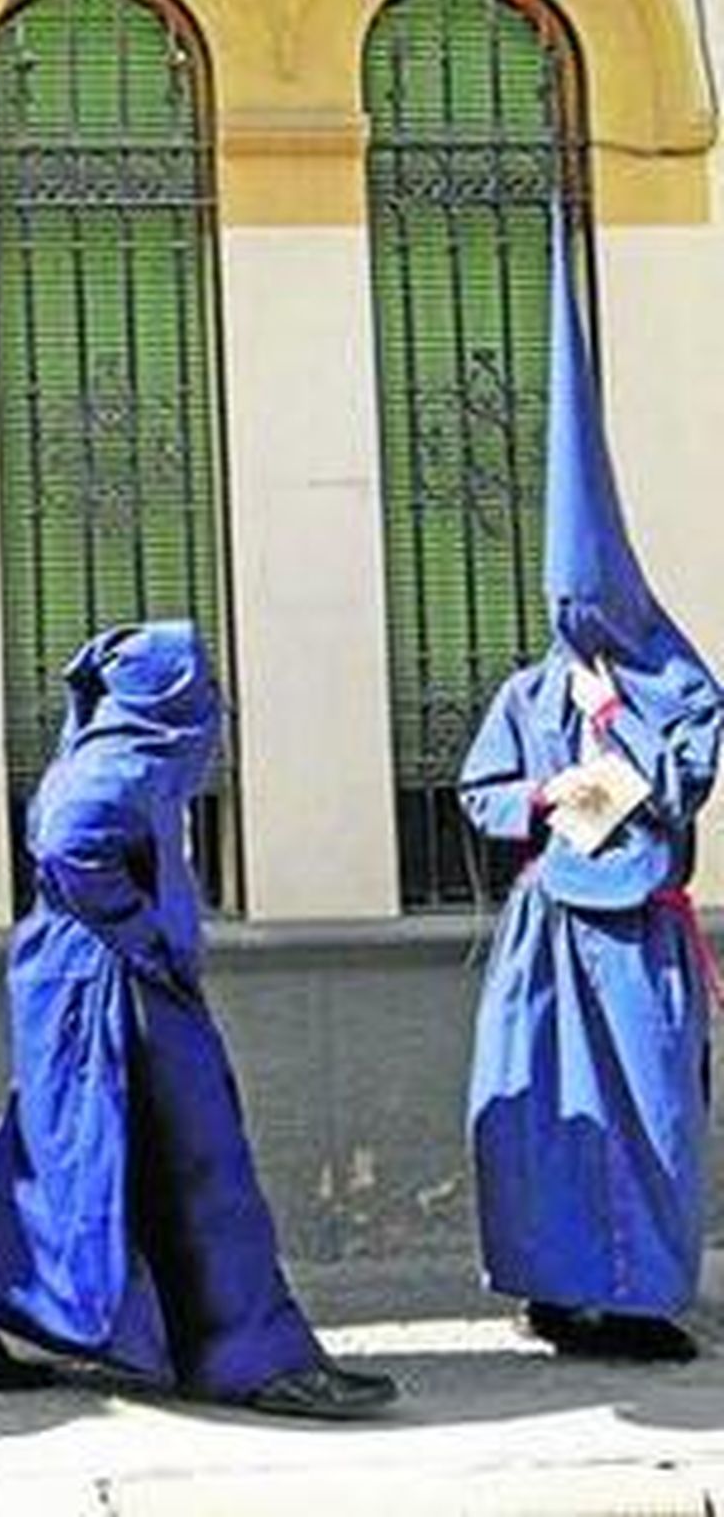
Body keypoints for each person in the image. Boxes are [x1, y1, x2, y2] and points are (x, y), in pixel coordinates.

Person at [0, 621, 396, 1420]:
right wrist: (146, 938)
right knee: (200, 1162)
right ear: (165, 697)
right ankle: (255, 1357)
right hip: (118, 995)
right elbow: (71, 844)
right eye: (200, 687)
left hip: (81, 991)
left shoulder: (105, 754)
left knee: (56, 1159)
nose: (214, 705)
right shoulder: (121, 764)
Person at [461, 217, 722, 1362]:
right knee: (540, 1114)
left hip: (638, 943)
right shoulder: (526, 691)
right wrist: (540, 789)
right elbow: (479, 790)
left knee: (646, 1114)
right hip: (547, 939)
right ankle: (554, 1287)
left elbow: (689, 770)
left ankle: (640, 1297)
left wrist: (620, 726)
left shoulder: (676, 682)